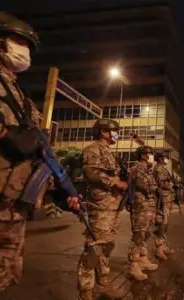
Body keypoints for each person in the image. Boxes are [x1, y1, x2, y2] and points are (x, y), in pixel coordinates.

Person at [0, 12, 80, 299]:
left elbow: (36, 155)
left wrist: (58, 190)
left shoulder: (23, 101)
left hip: (13, 214)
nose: (24, 50)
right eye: (18, 41)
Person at [77, 119, 127, 300]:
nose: (116, 134)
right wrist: (116, 183)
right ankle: (86, 290)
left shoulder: (110, 153)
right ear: (103, 132)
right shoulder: (93, 149)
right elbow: (91, 173)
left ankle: (103, 283)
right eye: (113, 131)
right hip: (100, 206)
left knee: (107, 246)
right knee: (94, 247)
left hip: (112, 206)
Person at [127, 145, 159, 281]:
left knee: (146, 234)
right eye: (149, 153)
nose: (151, 155)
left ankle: (143, 259)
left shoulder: (147, 169)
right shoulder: (137, 168)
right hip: (140, 206)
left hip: (148, 206)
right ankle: (133, 266)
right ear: (142, 155)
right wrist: (156, 187)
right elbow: (143, 185)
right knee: (138, 235)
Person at [152, 149, 176, 260]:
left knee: (165, 225)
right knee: (162, 224)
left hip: (167, 200)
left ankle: (163, 246)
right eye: (165, 157)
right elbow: (161, 184)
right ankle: (159, 249)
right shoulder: (159, 168)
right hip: (162, 201)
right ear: (160, 158)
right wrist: (172, 186)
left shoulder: (163, 169)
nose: (167, 159)